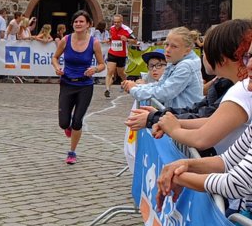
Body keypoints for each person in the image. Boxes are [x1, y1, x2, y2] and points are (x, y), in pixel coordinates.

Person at [129, 20, 252, 156]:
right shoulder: (232, 85)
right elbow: (208, 118)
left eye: (205, 51)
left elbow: (203, 136)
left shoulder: (243, 90)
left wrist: (164, 123)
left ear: (221, 58)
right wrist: (163, 118)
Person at [52, 10, 106, 164]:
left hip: (85, 85)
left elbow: (102, 64)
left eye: (81, 21)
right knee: (63, 123)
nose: (78, 24)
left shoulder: (94, 42)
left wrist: (95, 69)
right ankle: (68, 126)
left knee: (77, 121)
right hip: (67, 83)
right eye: (76, 21)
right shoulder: (66, 40)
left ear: (88, 24)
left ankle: (72, 152)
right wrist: (57, 67)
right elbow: (55, 57)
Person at [122, 27, 203, 109]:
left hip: (184, 117)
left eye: (174, 46)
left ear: (187, 50)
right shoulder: (176, 61)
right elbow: (161, 84)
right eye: (166, 44)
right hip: (179, 115)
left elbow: (164, 93)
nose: (167, 50)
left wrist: (134, 90)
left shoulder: (186, 66)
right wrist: (137, 86)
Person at [105, 14, 136, 98]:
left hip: (121, 55)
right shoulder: (111, 28)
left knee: (120, 73)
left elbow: (135, 41)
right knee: (110, 71)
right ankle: (107, 89)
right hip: (112, 52)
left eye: (118, 22)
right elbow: (111, 37)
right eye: (114, 22)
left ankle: (126, 84)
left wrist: (127, 39)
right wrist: (109, 40)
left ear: (122, 22)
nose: (116, 24)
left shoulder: (127, 30)